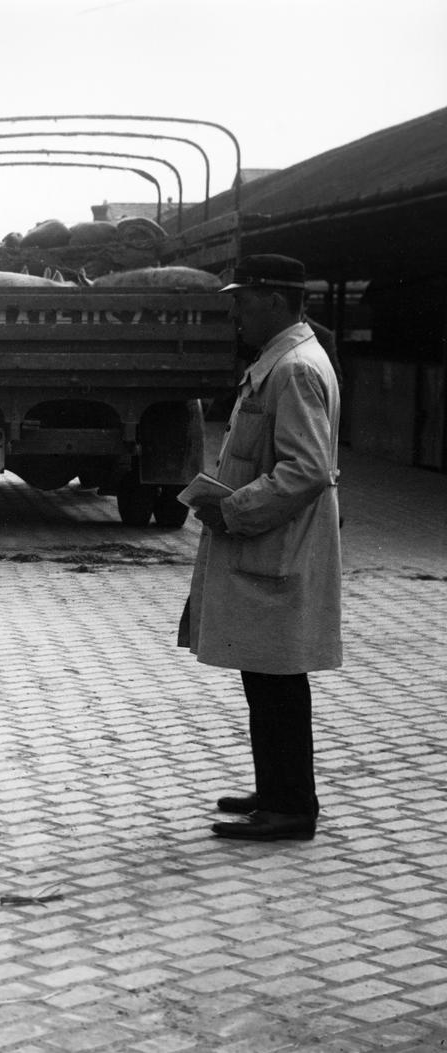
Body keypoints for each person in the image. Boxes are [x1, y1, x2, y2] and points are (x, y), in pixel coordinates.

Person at [180, 253, 342, 843]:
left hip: (276, 545)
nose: (237, 314)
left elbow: (306, 469)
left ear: (275, 301)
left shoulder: (293, 368)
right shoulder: (284, 360)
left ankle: (292, 807)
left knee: (277, 676)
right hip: (271, 544)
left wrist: (233, 509)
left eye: (244, 301)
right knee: (266, 674)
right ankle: (276, 791)